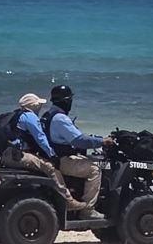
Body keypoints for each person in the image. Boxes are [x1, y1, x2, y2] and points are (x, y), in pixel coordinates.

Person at [0, 93, 85, 210]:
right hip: (19, 155)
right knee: (51, 168)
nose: (40, 107)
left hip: (6, 155)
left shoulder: (16, 116)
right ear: (33, 106)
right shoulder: (30, 117)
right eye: (39, 104)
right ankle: (68, 201)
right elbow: (41, 138)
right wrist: (52, 155)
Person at [41, 84, 114, 220]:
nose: (70, 103)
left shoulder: (48, 114)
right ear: (66, 101)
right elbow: (79, 140)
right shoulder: (61, 118)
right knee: (95, 169)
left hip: (53, 157)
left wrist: (95, 138)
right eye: (69, 100)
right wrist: (102, 141)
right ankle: (87, 210)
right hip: (62, 160)